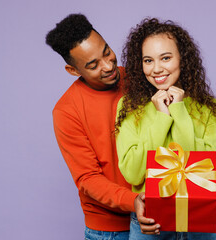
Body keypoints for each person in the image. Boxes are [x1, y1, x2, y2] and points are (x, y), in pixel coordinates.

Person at [115, 18, 216, 239]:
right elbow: (133, 173)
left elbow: (198, 169)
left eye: (166, 58)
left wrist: (178, 110)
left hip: (199, 222)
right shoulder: (129, 107)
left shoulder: (209, 109)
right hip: (150, 224)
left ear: (183, 59)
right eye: (148, 60)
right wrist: (162, 116)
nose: (157, 68)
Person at [45, 14, 159, 239]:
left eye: (106, 52)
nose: (108, 66)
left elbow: (178, 131)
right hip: (109, 231)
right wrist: (134, 201)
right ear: (74, 71)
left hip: (159, 217)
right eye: (93, 65)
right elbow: (88, 178)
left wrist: (205, 177)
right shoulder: (66, 111)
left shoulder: (141, 78)